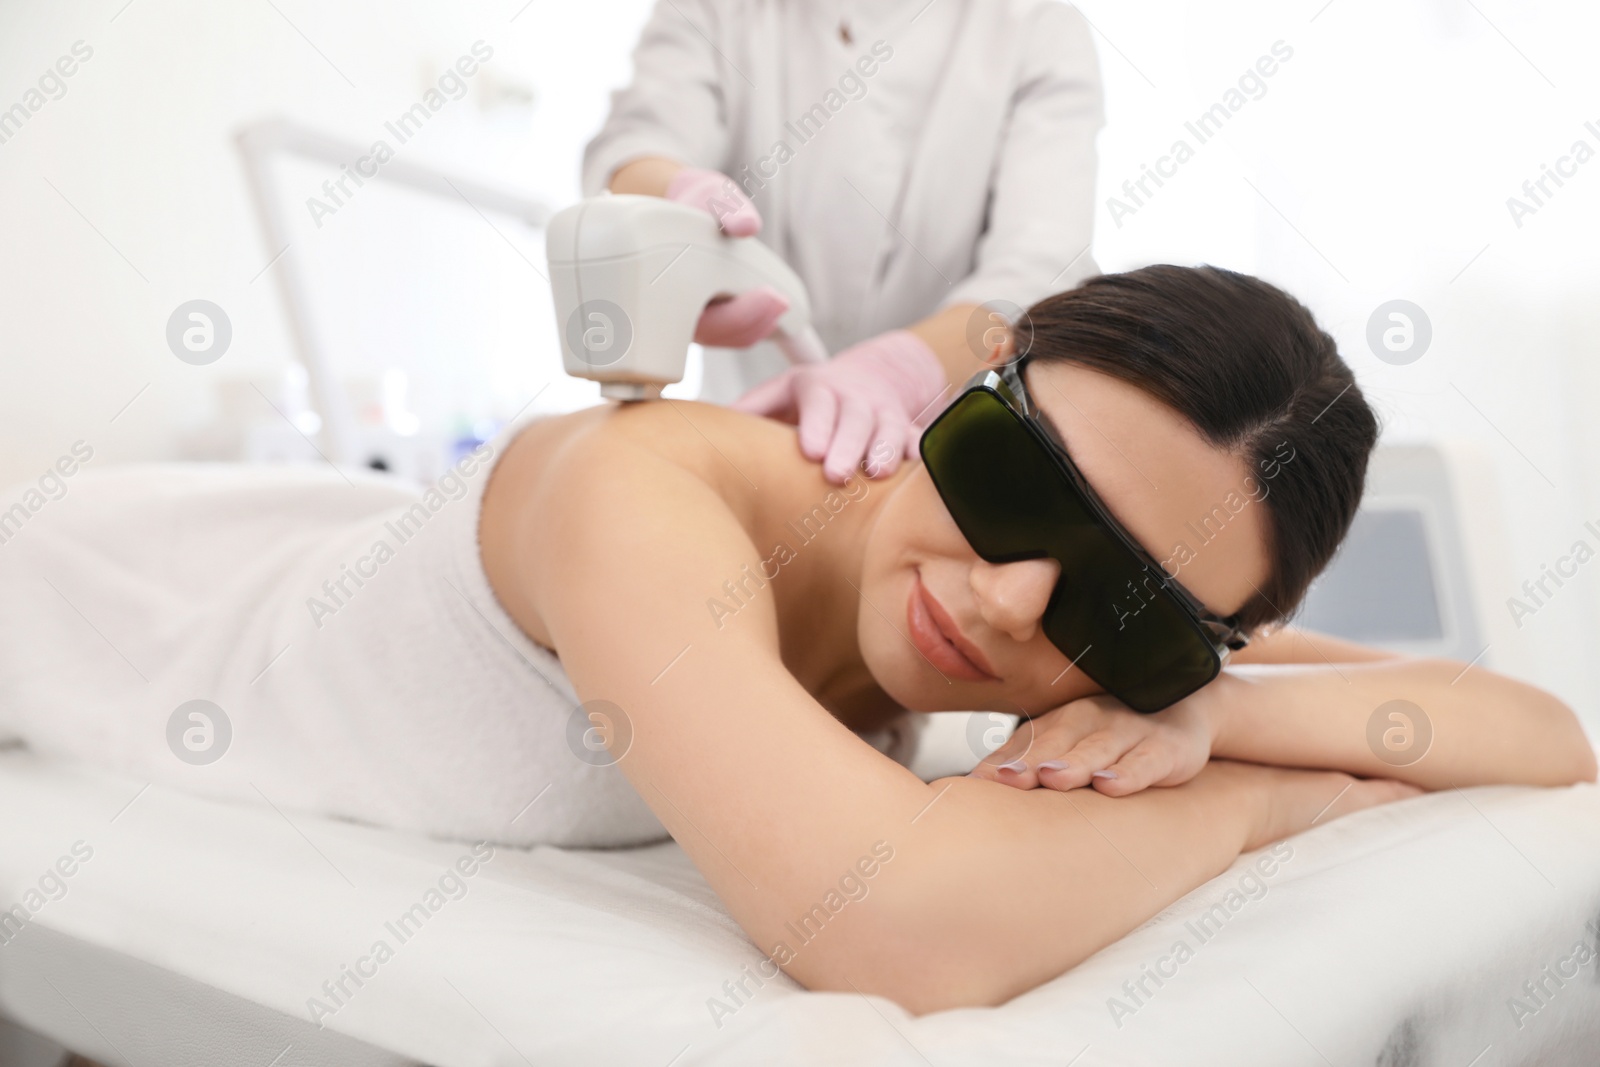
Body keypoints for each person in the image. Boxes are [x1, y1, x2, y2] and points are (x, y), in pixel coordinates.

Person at [0, 267, 1591, 1013]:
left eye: (1129, 608)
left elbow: (1536, 732)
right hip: (75, 594)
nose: (1011, 601)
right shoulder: (638, 490)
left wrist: (1203, 707)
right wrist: (1262, 786)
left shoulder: (1120, 661)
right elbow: (895, 924)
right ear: (957, 402)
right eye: (1010, 480)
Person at [585, 0, 1104, 483]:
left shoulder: (1036, 24)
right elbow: (637, 144)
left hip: (932, 452)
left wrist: (903, 368)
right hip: (738, 426)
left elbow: (1041, 262)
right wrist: (677, 198)